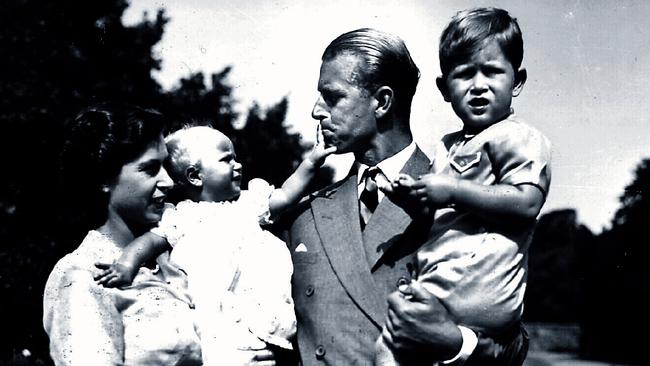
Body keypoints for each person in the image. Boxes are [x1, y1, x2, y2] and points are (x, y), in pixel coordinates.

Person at [280, 27, 530, 366]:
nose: (316, 111)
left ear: (382, 102)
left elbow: (512, 344)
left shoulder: (466, 200)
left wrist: (454, 342)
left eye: (333, 97)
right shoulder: (303, 216)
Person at [375, 7, 551, 365]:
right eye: (464, 74)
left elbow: (527, 202)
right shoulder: (447, 145)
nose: (479, 86)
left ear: (517, 81)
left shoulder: (519, 137)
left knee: (395, 346)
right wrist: (415, 199)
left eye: (492, 72)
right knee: (385, 350)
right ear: (443, 88)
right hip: (443, 284)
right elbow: (435, 218)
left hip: (482, 287)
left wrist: (453, 190)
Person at [94, 125, 335, 365]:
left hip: (262, 321)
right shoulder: (182, 216)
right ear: (195, 176)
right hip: (217, 327)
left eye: (236, 158)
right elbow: (149, 242)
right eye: (226, 159)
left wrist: (312, 161)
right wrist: (126, 264)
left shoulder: (247, 204)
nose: (237, 165)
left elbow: (285, 194)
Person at [43, 104, 204, 365]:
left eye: (166, 166)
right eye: (150, 169)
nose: (168, 181)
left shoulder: (180, 251)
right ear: (104, 179)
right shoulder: (82, 274)